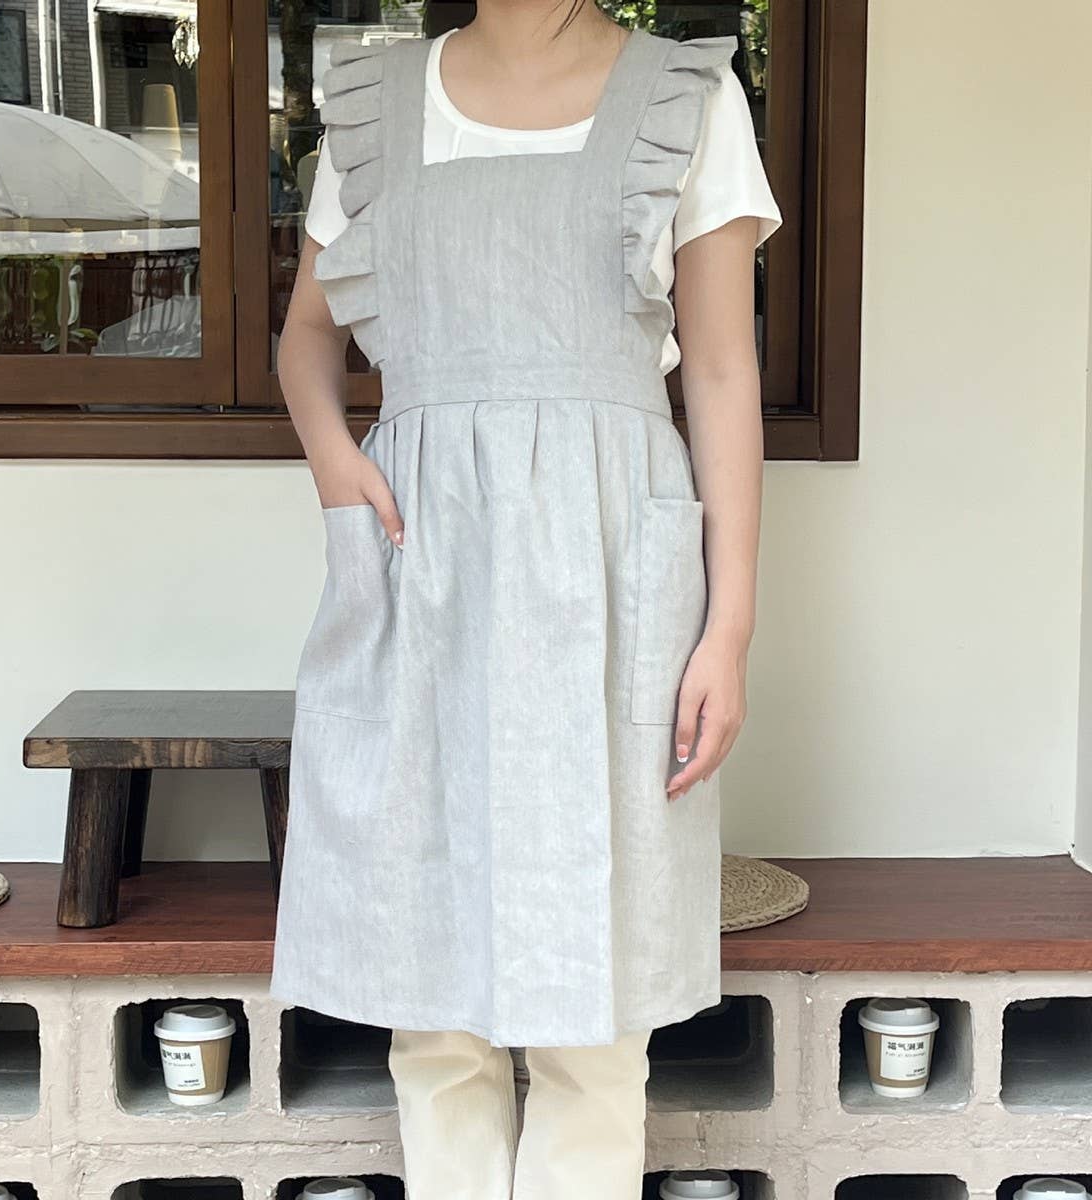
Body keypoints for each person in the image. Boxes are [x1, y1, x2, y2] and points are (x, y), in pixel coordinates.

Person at [271, 1, 780, 1195]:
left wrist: (731, 625)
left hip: (610, 561)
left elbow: (720, 369)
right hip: (424, 562)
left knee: (595, 996)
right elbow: (306, 337)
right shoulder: (376, 106)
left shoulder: (685, 98)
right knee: (429, 990)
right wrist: (335, 459)